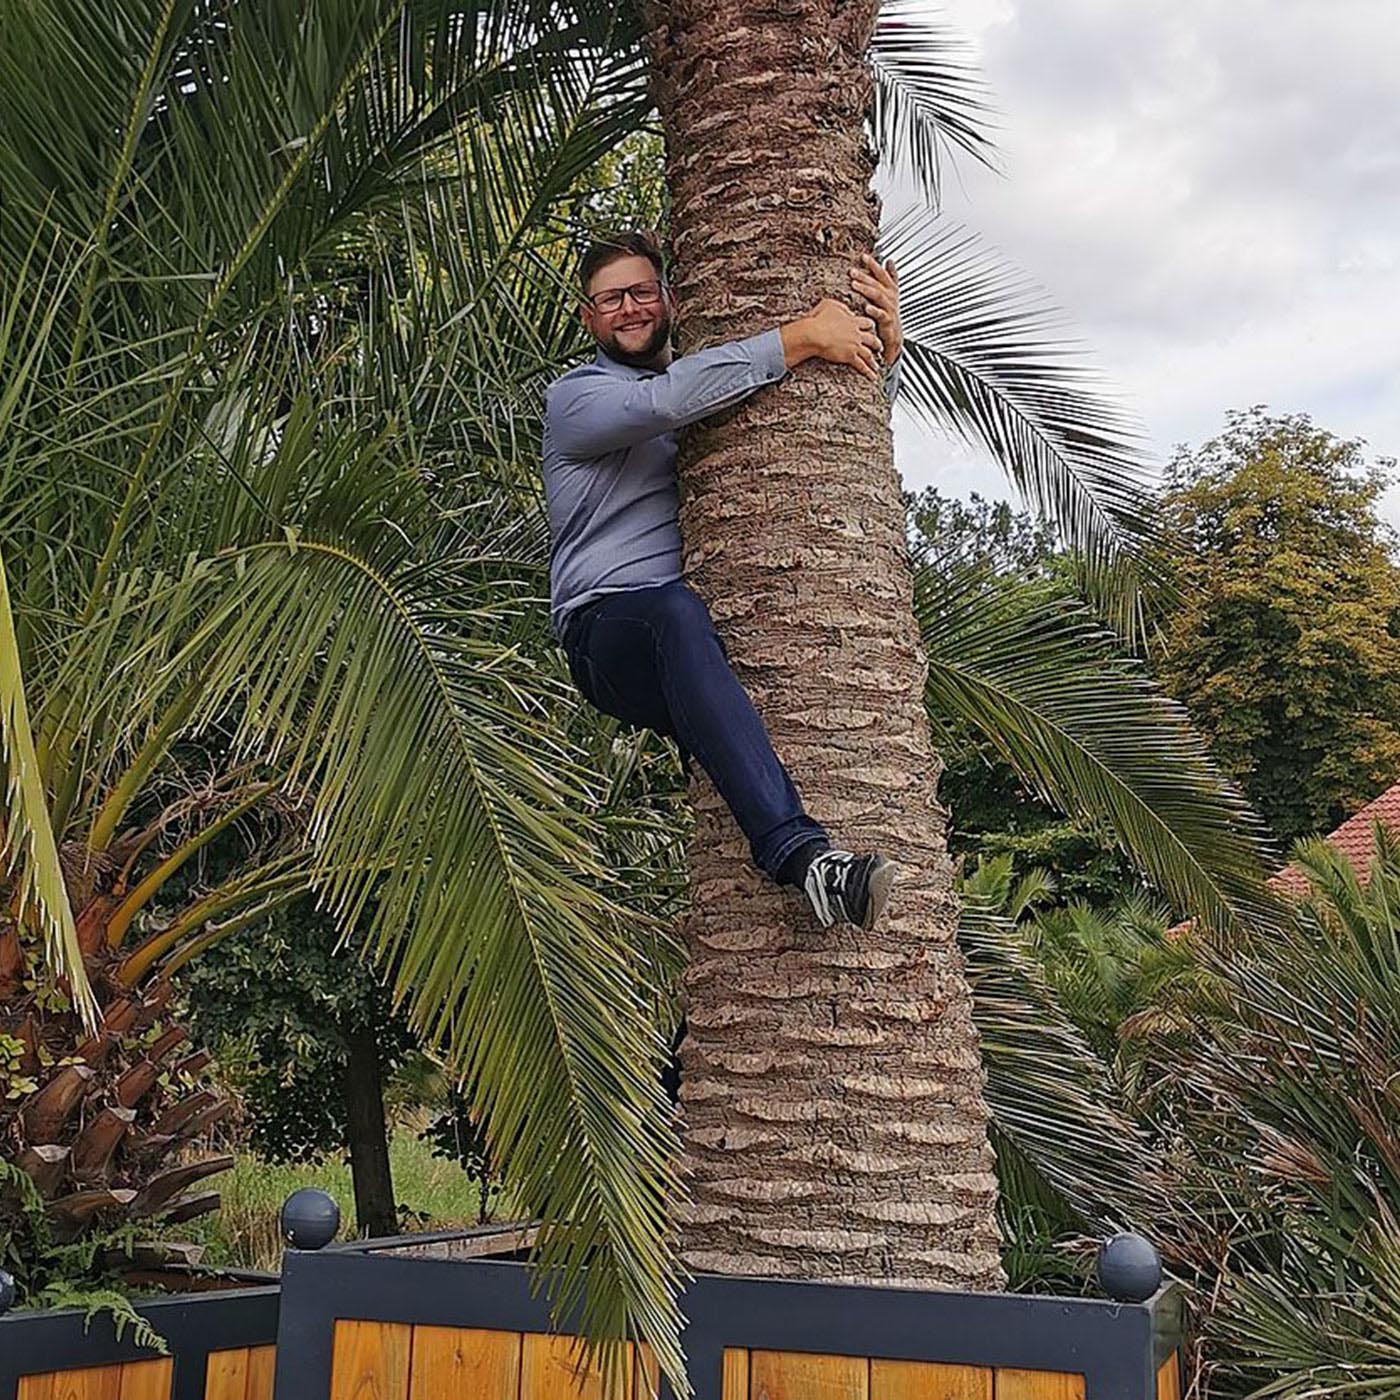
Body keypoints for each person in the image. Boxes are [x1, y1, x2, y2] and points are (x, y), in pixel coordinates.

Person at [542, 230, 905, 931]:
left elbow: (819, 434)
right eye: (611, 299)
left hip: (696, 639)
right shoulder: (577, 400)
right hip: (607, 635)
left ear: (671, 298)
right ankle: (804, 859)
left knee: (703, 681)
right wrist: (799, 336)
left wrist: (883, 349)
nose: (631, 308)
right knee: (671, 614)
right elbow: (663, 404)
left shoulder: (717, 381)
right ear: (588, 318)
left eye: (644, 291)